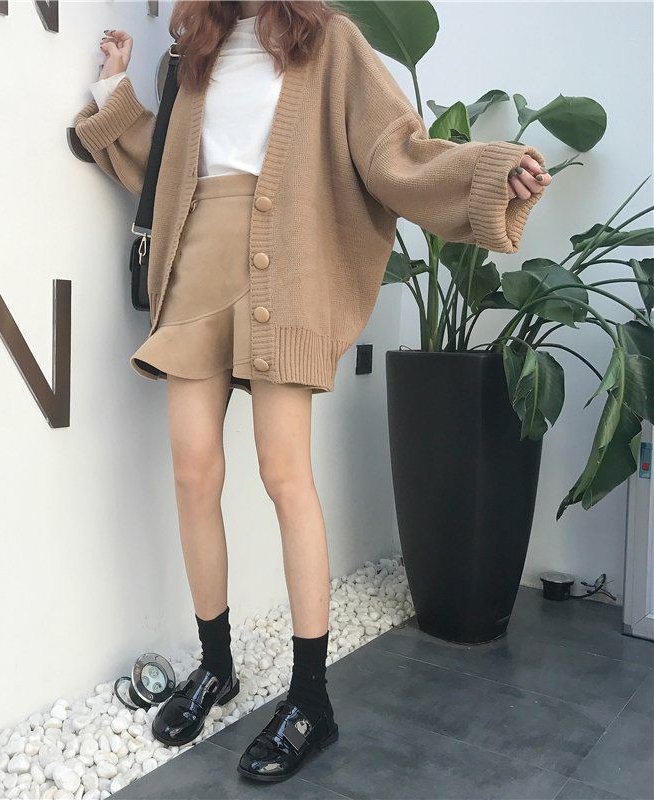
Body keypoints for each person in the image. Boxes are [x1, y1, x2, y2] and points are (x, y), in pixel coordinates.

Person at [74, 0, 551, 782]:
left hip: (282, 276)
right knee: (193, 472)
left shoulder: (329, 43)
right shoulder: (194, 50)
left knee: (285, 475)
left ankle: (310, 699)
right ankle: (216, 666)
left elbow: (394, 149)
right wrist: (113, 92)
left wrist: (487, 174)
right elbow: (164, 168)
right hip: (194, 271)